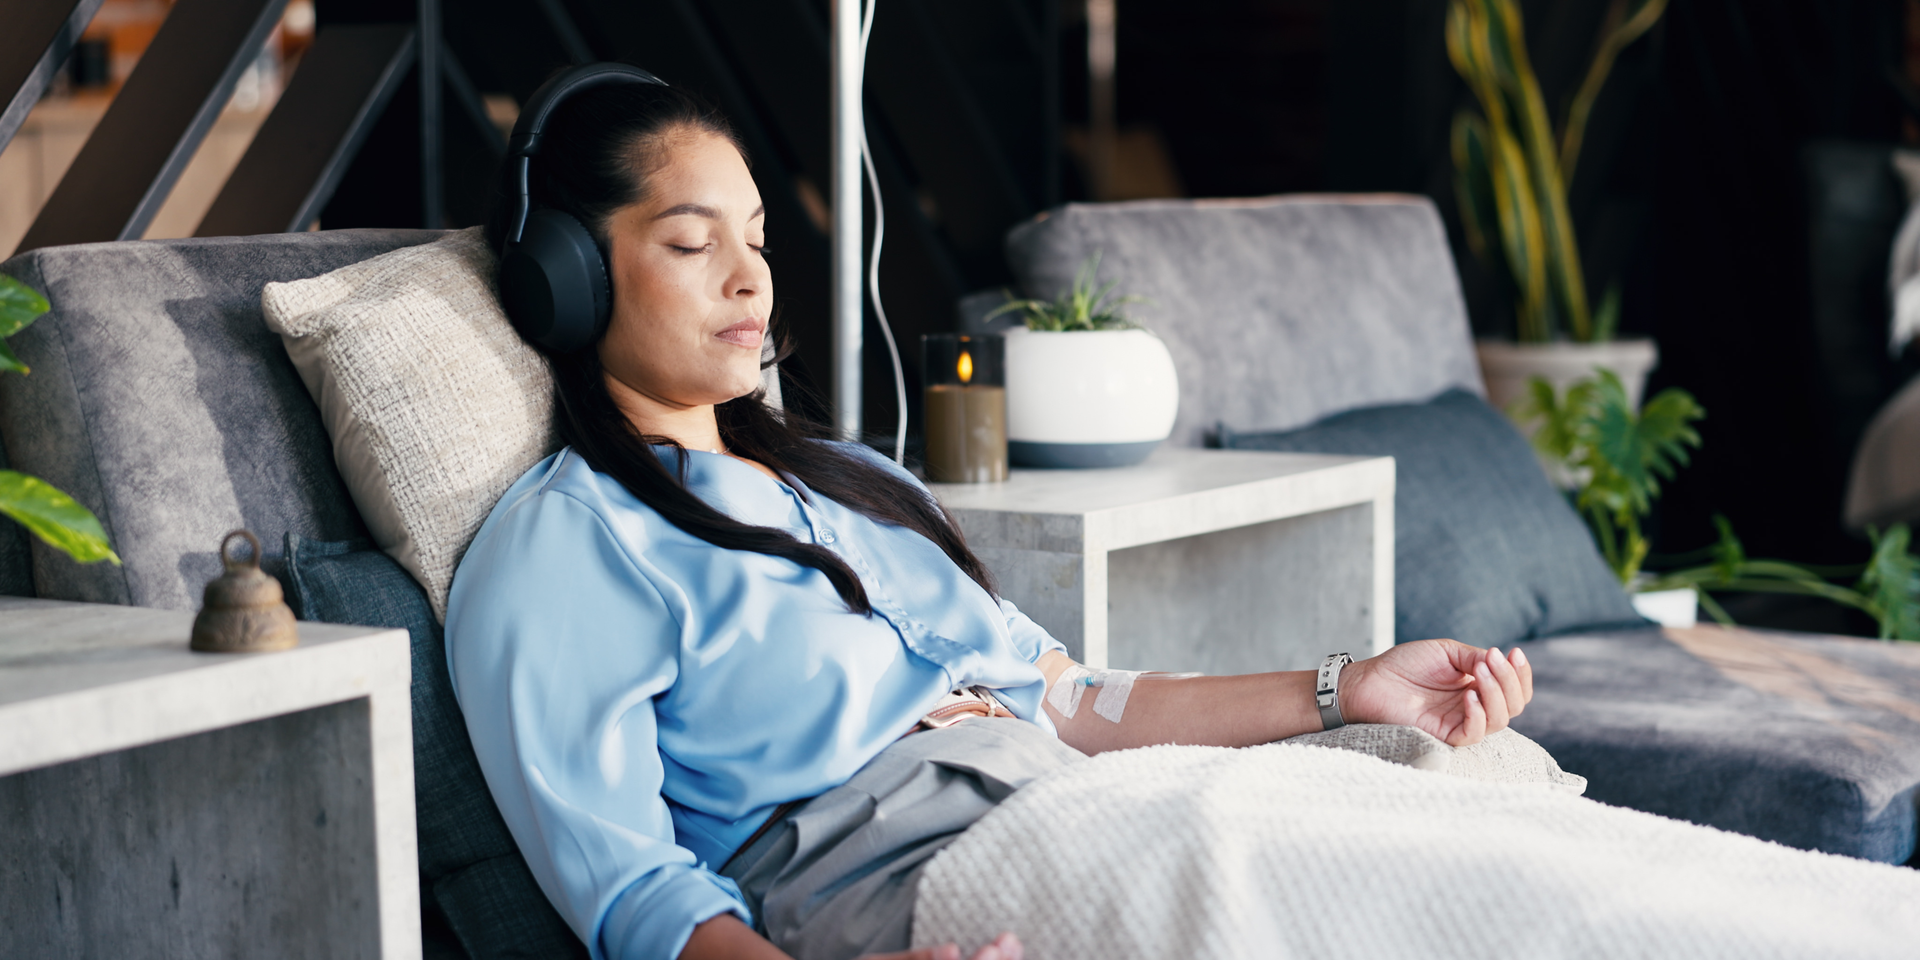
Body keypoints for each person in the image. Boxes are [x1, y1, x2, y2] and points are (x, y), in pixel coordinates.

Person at [446, 65, 1534, 960]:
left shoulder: (855, 482)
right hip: (887, 867)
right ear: (573, 277)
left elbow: (1074, 697)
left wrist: (1349, 688)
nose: (751, 280)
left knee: (1485, 850)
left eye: (760, 238)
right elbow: (632, 894)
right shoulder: (565, 546)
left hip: (1066, 791)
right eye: (693, 244)